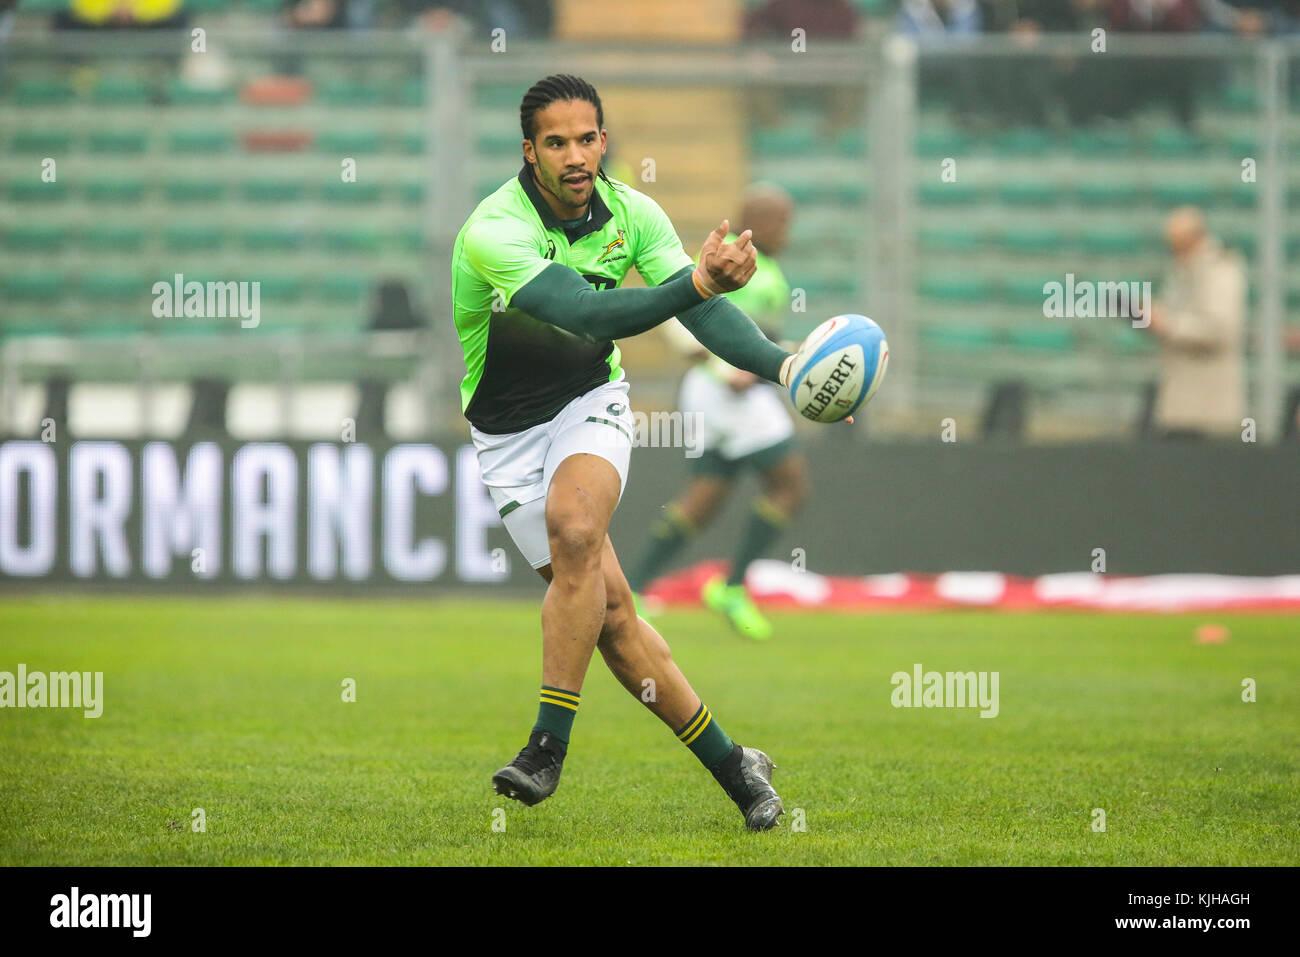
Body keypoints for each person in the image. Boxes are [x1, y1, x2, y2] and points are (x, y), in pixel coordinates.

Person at [451, 75, 831, 830]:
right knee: (614, 619)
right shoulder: (494, 228)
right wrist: (693, 282)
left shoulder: (634, 213)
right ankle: (736, 765)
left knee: (576, 528)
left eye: (586, 138)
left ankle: (544, 747)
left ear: (602, 140)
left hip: (591, 402)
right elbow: (584, 309)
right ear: (529, 152)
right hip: (506, 437)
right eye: (554, 142)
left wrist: (785, 366)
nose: (573, 155)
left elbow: (709, 320)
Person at [627, 184, 807, 641]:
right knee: (789, 485)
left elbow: (756, 339)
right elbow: (683, 319)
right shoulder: (742, 267)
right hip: (725, 394)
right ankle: (732, 586)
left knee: (705, 498)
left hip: (715, 394)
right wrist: (727, 368)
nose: (787, 232)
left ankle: (632, 590)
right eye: (782, 222)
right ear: (759, 222)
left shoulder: (764, 270)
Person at [1144, 207, 1246, 439]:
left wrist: (1167, 324)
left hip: (1208, 408)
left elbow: (1218, 330)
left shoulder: (1221, 270)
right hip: (1181, 402)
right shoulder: (1181, 271)